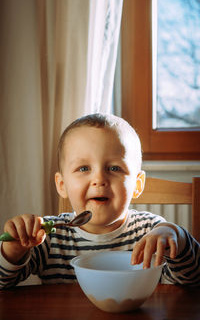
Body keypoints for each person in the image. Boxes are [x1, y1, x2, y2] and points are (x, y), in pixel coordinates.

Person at [0, 113, 200, 289]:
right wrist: (14, 249)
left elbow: (195, 279)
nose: (99, 180)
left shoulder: (151, 231)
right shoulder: (49, 237)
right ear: (62, 185)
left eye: (114, 168)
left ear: (137, 185)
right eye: (84, 168)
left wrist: (177, 236)